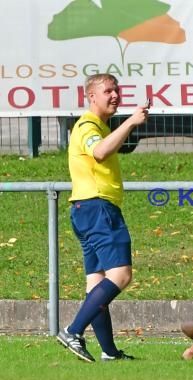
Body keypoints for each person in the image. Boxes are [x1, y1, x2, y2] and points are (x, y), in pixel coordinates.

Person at [56, 73, 150, 362]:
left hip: (87, 211)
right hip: (98, 209)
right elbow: (100, 151)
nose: (115, 95)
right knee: (121, 275)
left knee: (96, 285)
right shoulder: (87, 126)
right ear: (91, 97)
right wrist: (131, 122)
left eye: (117, 90)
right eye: (108, 91)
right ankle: (72, 331)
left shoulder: (96, 126)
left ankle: (109, 352)